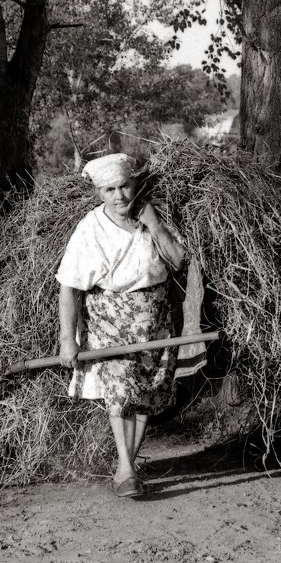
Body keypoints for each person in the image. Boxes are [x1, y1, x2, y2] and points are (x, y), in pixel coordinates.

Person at [55, 153, 185, 499]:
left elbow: (177, 261)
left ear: (135, 183)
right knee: (119, 390)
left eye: (124, 186)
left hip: (156, 322)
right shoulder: (90, 228)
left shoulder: (151, 216)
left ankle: (126, 467)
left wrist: (155, 225)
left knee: (146, 392)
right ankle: (126, 468)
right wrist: (68, 340)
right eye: (109, 189)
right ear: (99, 192)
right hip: (109, 321)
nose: (119, 196)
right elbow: (68, 285)